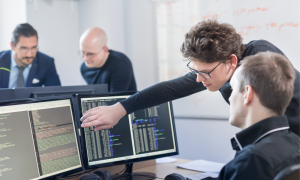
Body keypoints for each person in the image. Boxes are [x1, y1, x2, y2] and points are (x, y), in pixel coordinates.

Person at [108, 51, 300, 180]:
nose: (229, 97)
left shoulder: (252, 161)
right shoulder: (292, 145)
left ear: (247, 94)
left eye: (232, 89)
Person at [80, 19, 300, 136]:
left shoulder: (260, 61)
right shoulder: (218, 71)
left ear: (231, 62)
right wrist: (120, 109)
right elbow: (172, 88)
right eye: (196, 71)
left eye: (204, 73)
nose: (198, 80)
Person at [0, 23, 61, 88]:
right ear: (12, 46)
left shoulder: (46, 63)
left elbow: (56, 94)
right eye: (24, 48)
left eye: (33, 48)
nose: (29, 54)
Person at [79, 27, 137, 92]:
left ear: (105, 50)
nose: (85, 58)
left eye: (91, 54)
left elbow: (116, 100)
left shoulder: (121, 64)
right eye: (83, 52)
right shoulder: (84, 68)